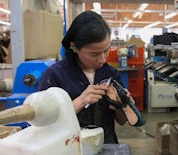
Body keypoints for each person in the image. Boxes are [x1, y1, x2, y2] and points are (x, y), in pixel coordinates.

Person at [38, 11, 130, 144]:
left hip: (106, 150)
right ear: (74, 47)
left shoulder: (111, 73)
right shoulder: (55, 75)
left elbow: (122, 121)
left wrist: (122, 104)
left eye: (106, 51)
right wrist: (80, 101)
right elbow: (43, 124)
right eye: (94, 54)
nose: (102, 59)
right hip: (70, 149)